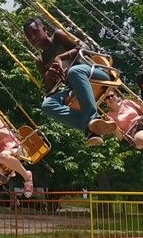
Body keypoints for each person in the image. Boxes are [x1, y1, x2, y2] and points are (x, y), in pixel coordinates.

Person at [23, 16, 118, 146]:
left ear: (44, 29)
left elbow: (81, 48)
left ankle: (92, 119)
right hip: (73, 87)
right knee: (47, 105)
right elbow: (50, 89)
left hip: (93, 73)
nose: (33, 37)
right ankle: (90, 127)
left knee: (74, 71)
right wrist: (48, 76)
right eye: (29, 36)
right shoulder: (40, 61)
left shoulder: (58, 36)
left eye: (35, 32)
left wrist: (60, 57)